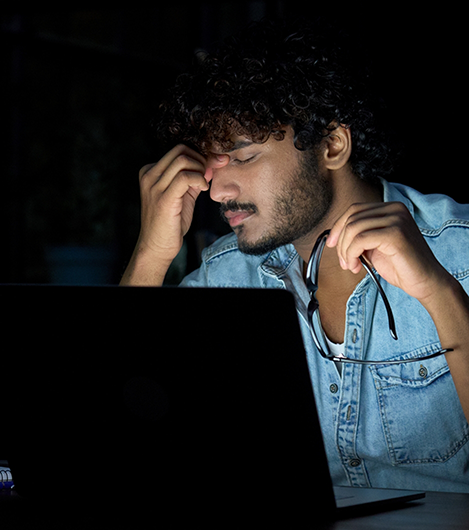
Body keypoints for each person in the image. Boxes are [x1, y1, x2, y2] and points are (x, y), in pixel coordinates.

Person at [120, 20, 469, 492]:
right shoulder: (226, 277)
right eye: (209, 164)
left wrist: (437, 290)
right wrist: (150, 255)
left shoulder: (459, 248)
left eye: (242, 157)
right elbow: (120, 427)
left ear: (332, 145)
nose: (216, 190)